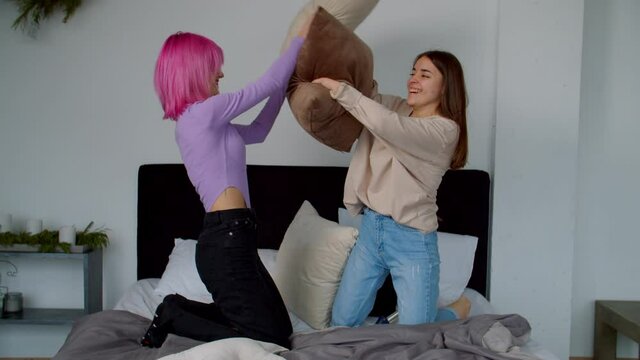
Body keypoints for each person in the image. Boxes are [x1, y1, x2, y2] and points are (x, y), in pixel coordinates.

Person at [140, 20, 311, 349]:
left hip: (237, 237)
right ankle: (174, 315)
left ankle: (177, 308)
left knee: (280, 328)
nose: (220, 74)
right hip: (226, 241)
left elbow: (259, 130)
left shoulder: (212, 122)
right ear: (193, 71)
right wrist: (299, 39)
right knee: (268, 338)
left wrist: (284, 87)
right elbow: (268, 81)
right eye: (214, 68)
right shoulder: (202, 115)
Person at [313, 50, 471, 327]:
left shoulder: (444, 130)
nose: (413, 79)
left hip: (412, 241)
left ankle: (455, 310)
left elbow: (388, 125)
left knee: (416, 337)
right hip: (371, 233)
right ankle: (394, 323)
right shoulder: (397, 107)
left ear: (446, 86)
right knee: (341, 323)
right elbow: (369, 100)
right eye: (413, 72)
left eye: (424, 75)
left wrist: (342, 91)